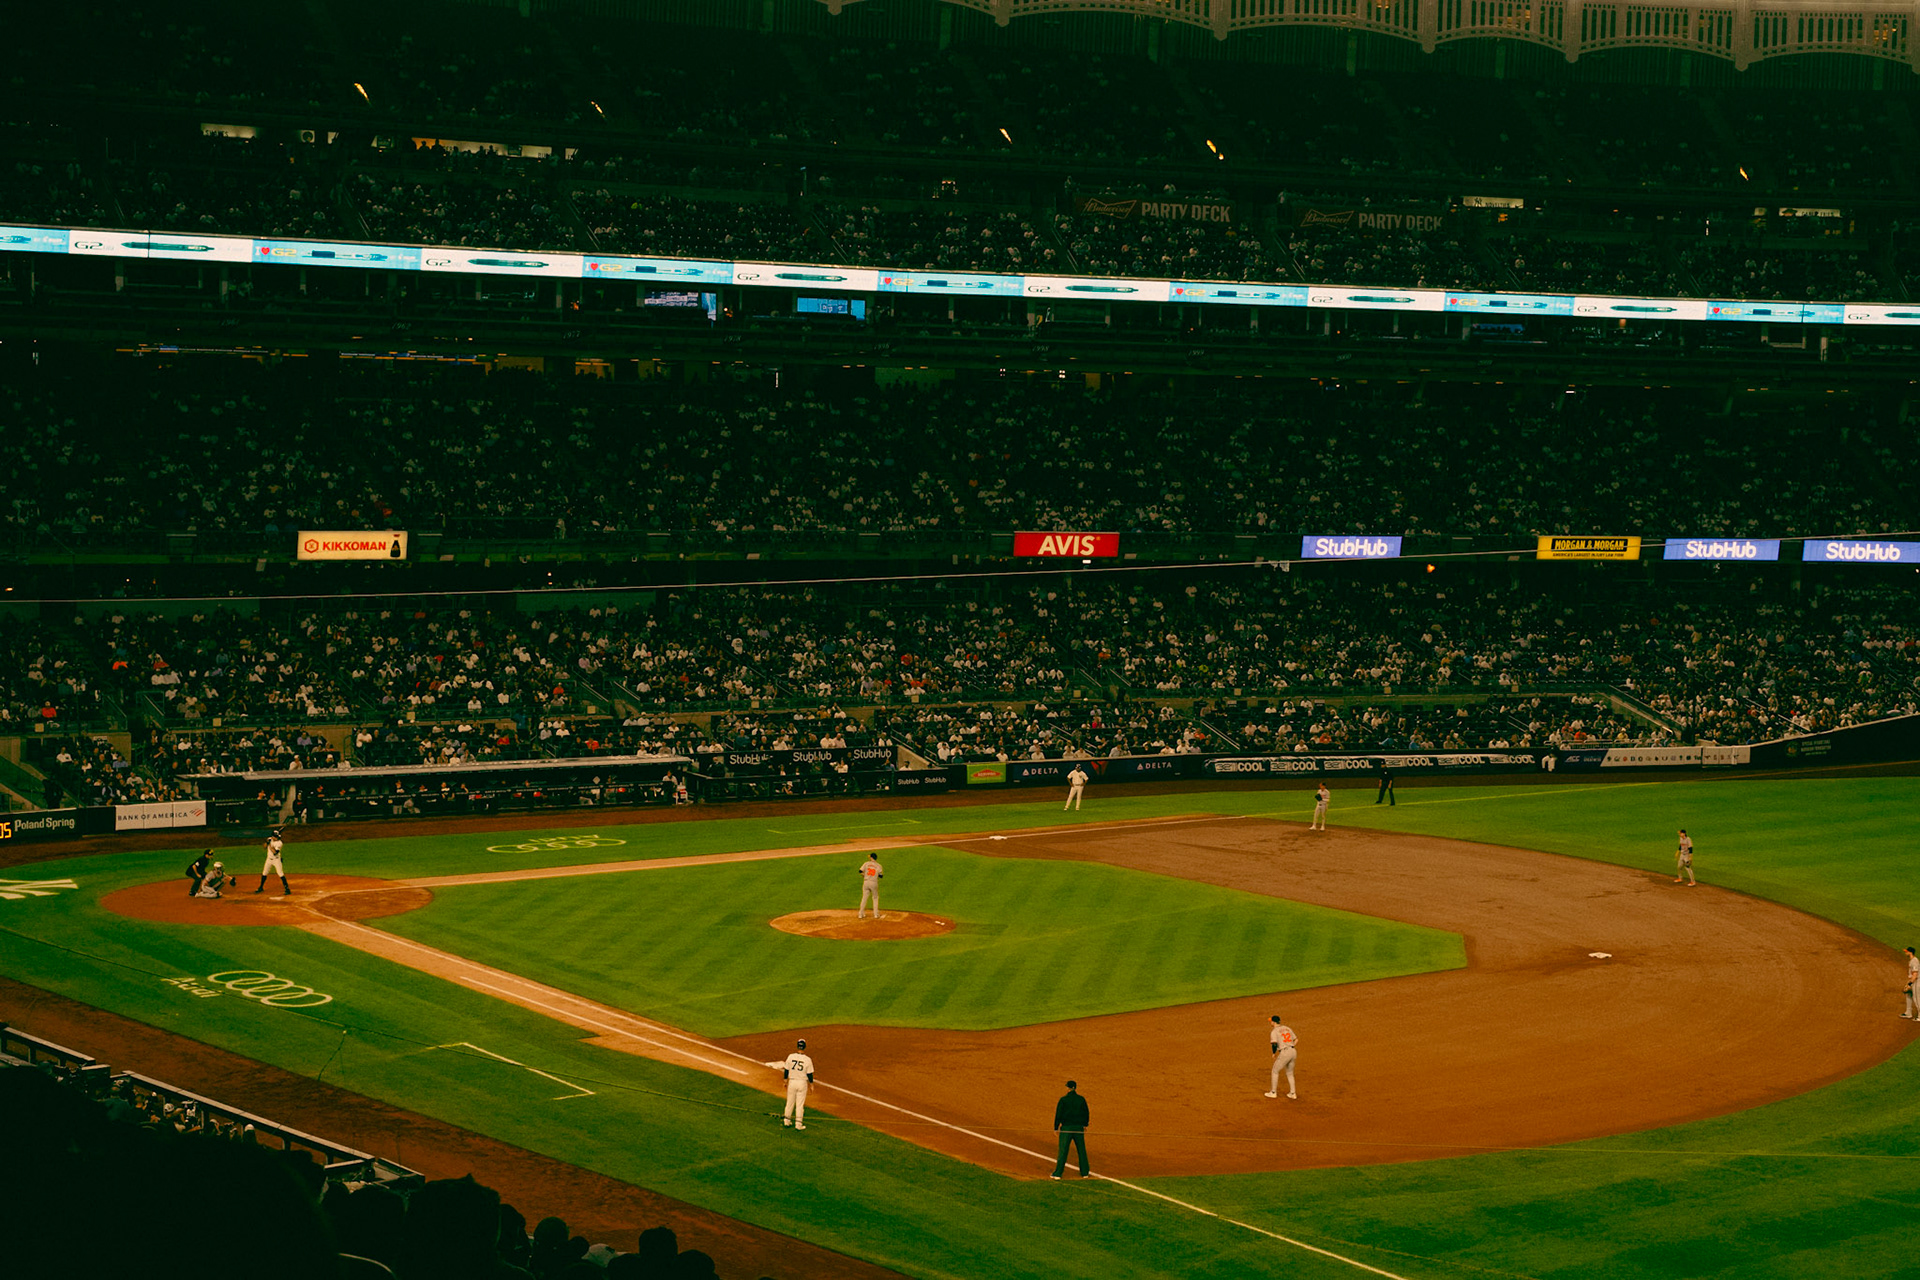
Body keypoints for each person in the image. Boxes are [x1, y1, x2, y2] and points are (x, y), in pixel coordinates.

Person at [763, 1038, 815, 1129]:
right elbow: (809, 1074)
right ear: (805, 1047)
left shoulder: (791, 1056)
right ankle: (798, 1125)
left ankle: (786, 1121)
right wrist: (811, 1084)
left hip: (792, 1082)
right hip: (802, 1083)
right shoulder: (807, 1060)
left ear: (797, 1046)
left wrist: (785, 1081)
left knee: (789, 1103)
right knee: (799, 1105)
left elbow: (786, 1070)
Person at [1050, 1079, 1090, 1179]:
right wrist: (1085, 1124)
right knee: (1081, 1150)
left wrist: (1056, 1127)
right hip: (1078, 1128)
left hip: (1066, 1128)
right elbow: (1086, 1112)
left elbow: (1058, 1114)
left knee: (1063, 1151)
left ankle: (1058, 1173)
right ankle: (1085, 1172)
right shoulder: (1081, 1099)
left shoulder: (1063, 1100)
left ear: (1069, 1088)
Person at [1265, 1015, 1298, 1099]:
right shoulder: (1287, 1028)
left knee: (1275, 1071)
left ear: (1273, 1022)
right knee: (1290, 1073)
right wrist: (1291, 1046)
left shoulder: (1274, 1031)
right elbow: (1296, 1039)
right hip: (1293, 1051)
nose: (1270, 1023)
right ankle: (1293, 1093)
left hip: (1285, 1052)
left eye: (1271, 1021)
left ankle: (1273, 1092)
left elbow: (1274, 1044)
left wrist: (1274, 1053)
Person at [254, 828, 291, 896]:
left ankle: (287, 889)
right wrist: (267, 842)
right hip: (268, 859)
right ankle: (261, 887)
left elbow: (275, 852)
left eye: (277, 837)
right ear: (272, 836)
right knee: (264, 873)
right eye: (275, 837)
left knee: (280, 873)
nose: (276, 838)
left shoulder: (279, 843)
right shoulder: (269, 839)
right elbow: (264, 847)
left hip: (276, 860)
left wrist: (270, 845)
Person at [856, 854, 884, 919]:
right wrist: (876, 876)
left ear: (871, 858)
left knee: (864, 898)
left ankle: (860, 914)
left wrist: (864, 875)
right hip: (874, 882)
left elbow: (860, 871)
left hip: (866, 882)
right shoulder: (879, 865)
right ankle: (876, 914)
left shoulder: (866, 863)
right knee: (875, 898)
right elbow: (881, 876)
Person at [1904, 946, 1918, 1019]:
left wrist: (1910, 984)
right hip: (1913, 980)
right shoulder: (1911, 960)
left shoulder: (1914, 961)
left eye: (1906, 952)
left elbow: (1915, 974)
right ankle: (1908, 1013)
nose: (1905, 953)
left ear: (1910, 952)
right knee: (1908, 995)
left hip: (1916, 982)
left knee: (1917, 999)